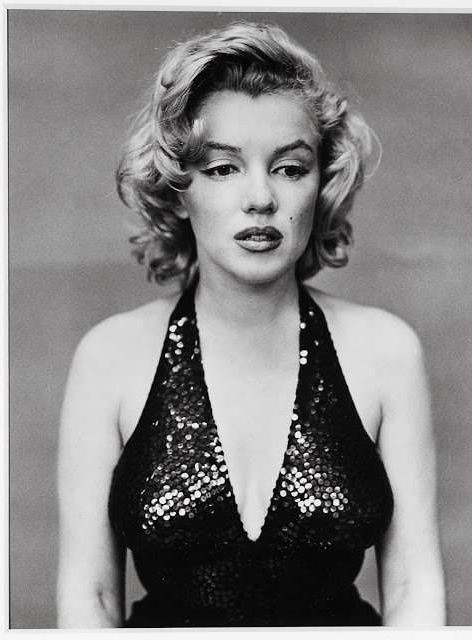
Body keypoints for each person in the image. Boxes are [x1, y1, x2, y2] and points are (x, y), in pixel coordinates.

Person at [56, 21, 445, 628]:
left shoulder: (386, 353)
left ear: (322, 184)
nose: (260, 198)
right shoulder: (108, 358)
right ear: (178, 188)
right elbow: (91, 599)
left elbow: (414, 588)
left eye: (290, 168)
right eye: (222, 168)